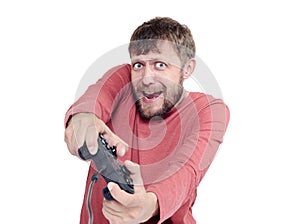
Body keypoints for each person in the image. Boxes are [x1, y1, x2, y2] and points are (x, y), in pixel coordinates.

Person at [64, 17, 230, 224]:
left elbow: (188, 170)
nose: (146, 77)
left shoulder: (210, 110)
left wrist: (149, 204)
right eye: (138, 65)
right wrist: (83, 117)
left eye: (160, 65)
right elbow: (97, 96)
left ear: (187, 69)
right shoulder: (124, 80)